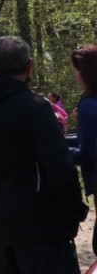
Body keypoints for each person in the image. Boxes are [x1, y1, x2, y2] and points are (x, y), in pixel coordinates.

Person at [0, 36, 87, 273]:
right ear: (29, 66)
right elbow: (61, 169)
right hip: (41, 227)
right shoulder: (35, 108)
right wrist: (74, 213)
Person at [70, 45, 97, 258]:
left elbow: (87, 154)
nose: (76, 77)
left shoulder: (89, 104)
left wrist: (52, 151)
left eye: (76, 72)